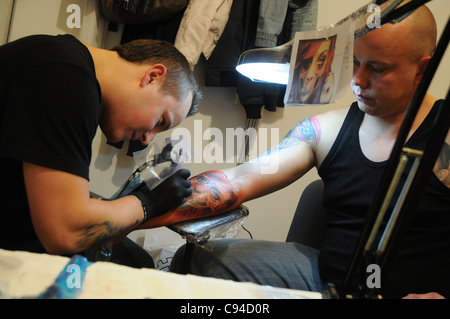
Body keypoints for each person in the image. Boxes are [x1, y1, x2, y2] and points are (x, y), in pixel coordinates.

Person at [159, 4, 449, 298]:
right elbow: (239, 181)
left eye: (376, 68)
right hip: (324, 281)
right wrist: (137, 209)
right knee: (195, 261)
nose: (357, 81)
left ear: (422, 69)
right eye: (356, 62)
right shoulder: (326, 131)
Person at [0, 34, 201, 267]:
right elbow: (66, 231)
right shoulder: (65, 78)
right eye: (161, 121)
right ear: (152, 77)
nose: (148, 139)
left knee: (134, 258)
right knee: (133, 267)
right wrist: (145, 204)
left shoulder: (66, 65)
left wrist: (124, 204)